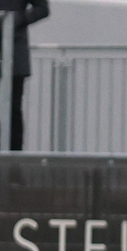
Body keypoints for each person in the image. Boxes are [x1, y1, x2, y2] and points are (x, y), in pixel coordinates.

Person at [0, 0, 49, 151]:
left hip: (15, 53)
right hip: (15, 52)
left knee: (13, 108)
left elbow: (42, 9)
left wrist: (14, 20)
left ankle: (13, 157)